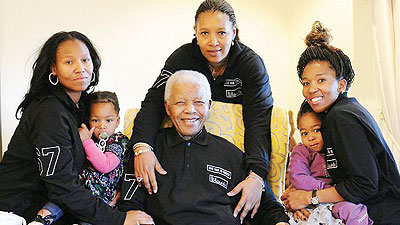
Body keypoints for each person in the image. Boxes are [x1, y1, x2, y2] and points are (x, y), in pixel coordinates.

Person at [132, 0, 274, 221]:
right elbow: (153, 102)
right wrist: (142, 147)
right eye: (205, 33)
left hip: (225, 152)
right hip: (179, 148)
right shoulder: (182, 57)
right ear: (195, 33)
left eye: (221, 33)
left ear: (233, 32)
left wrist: (257, 175)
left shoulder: (251, 64)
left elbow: (259, 122)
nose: (213, 42)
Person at [0, 31, 144, 225]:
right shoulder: (49, 111)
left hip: (60, 206)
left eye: (85, 60)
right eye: (69, 62)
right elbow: (61, 185)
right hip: (19, 210)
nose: (80, 68)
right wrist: (118, 218)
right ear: (54, 68)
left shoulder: (83, 106)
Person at [118, 70, 288, 225]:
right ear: (167, 108)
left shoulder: (231, 153)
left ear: (209, 106)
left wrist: (280, 222)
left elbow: (267, 206)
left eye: (198, 102)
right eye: (180, 102)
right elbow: (130, 206)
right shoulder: (147, 153)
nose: (190, 110)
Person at [281, 21, 400, 225]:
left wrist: (310, 197)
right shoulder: (340, 113)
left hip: (380, 215)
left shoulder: (342, 117)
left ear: (342, 84)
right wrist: (300, 195)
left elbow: (365, 185)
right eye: (305, 82)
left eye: (321, 80)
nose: (311, 89)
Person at [29, 91, 129, 225]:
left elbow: (106, 165)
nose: (102, 125)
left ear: (117, 121)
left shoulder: (118, 141)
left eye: (108, 120)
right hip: (78, 191)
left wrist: (86, 142)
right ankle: (39, 221)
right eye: (95, 120)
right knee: (57, 203)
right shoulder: (90, 137)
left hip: (100, 197)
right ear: (88, 120)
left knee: (89, 220)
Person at [287, 101, 372, 225]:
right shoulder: (302, 151)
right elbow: (298, 177)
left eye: (316, 130)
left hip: (335, 200)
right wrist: (327, 190)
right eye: (304, 133)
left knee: (355, 211)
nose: (311, 137)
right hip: (311, 198)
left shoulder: (335, 147)